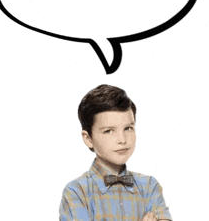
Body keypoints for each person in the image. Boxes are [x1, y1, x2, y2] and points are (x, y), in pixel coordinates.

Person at [59, 84, 172, 221]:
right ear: (88, 139)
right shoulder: (77, 192)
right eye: (108, 131)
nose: (122, 139)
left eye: (128, 128)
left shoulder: (149, 186)